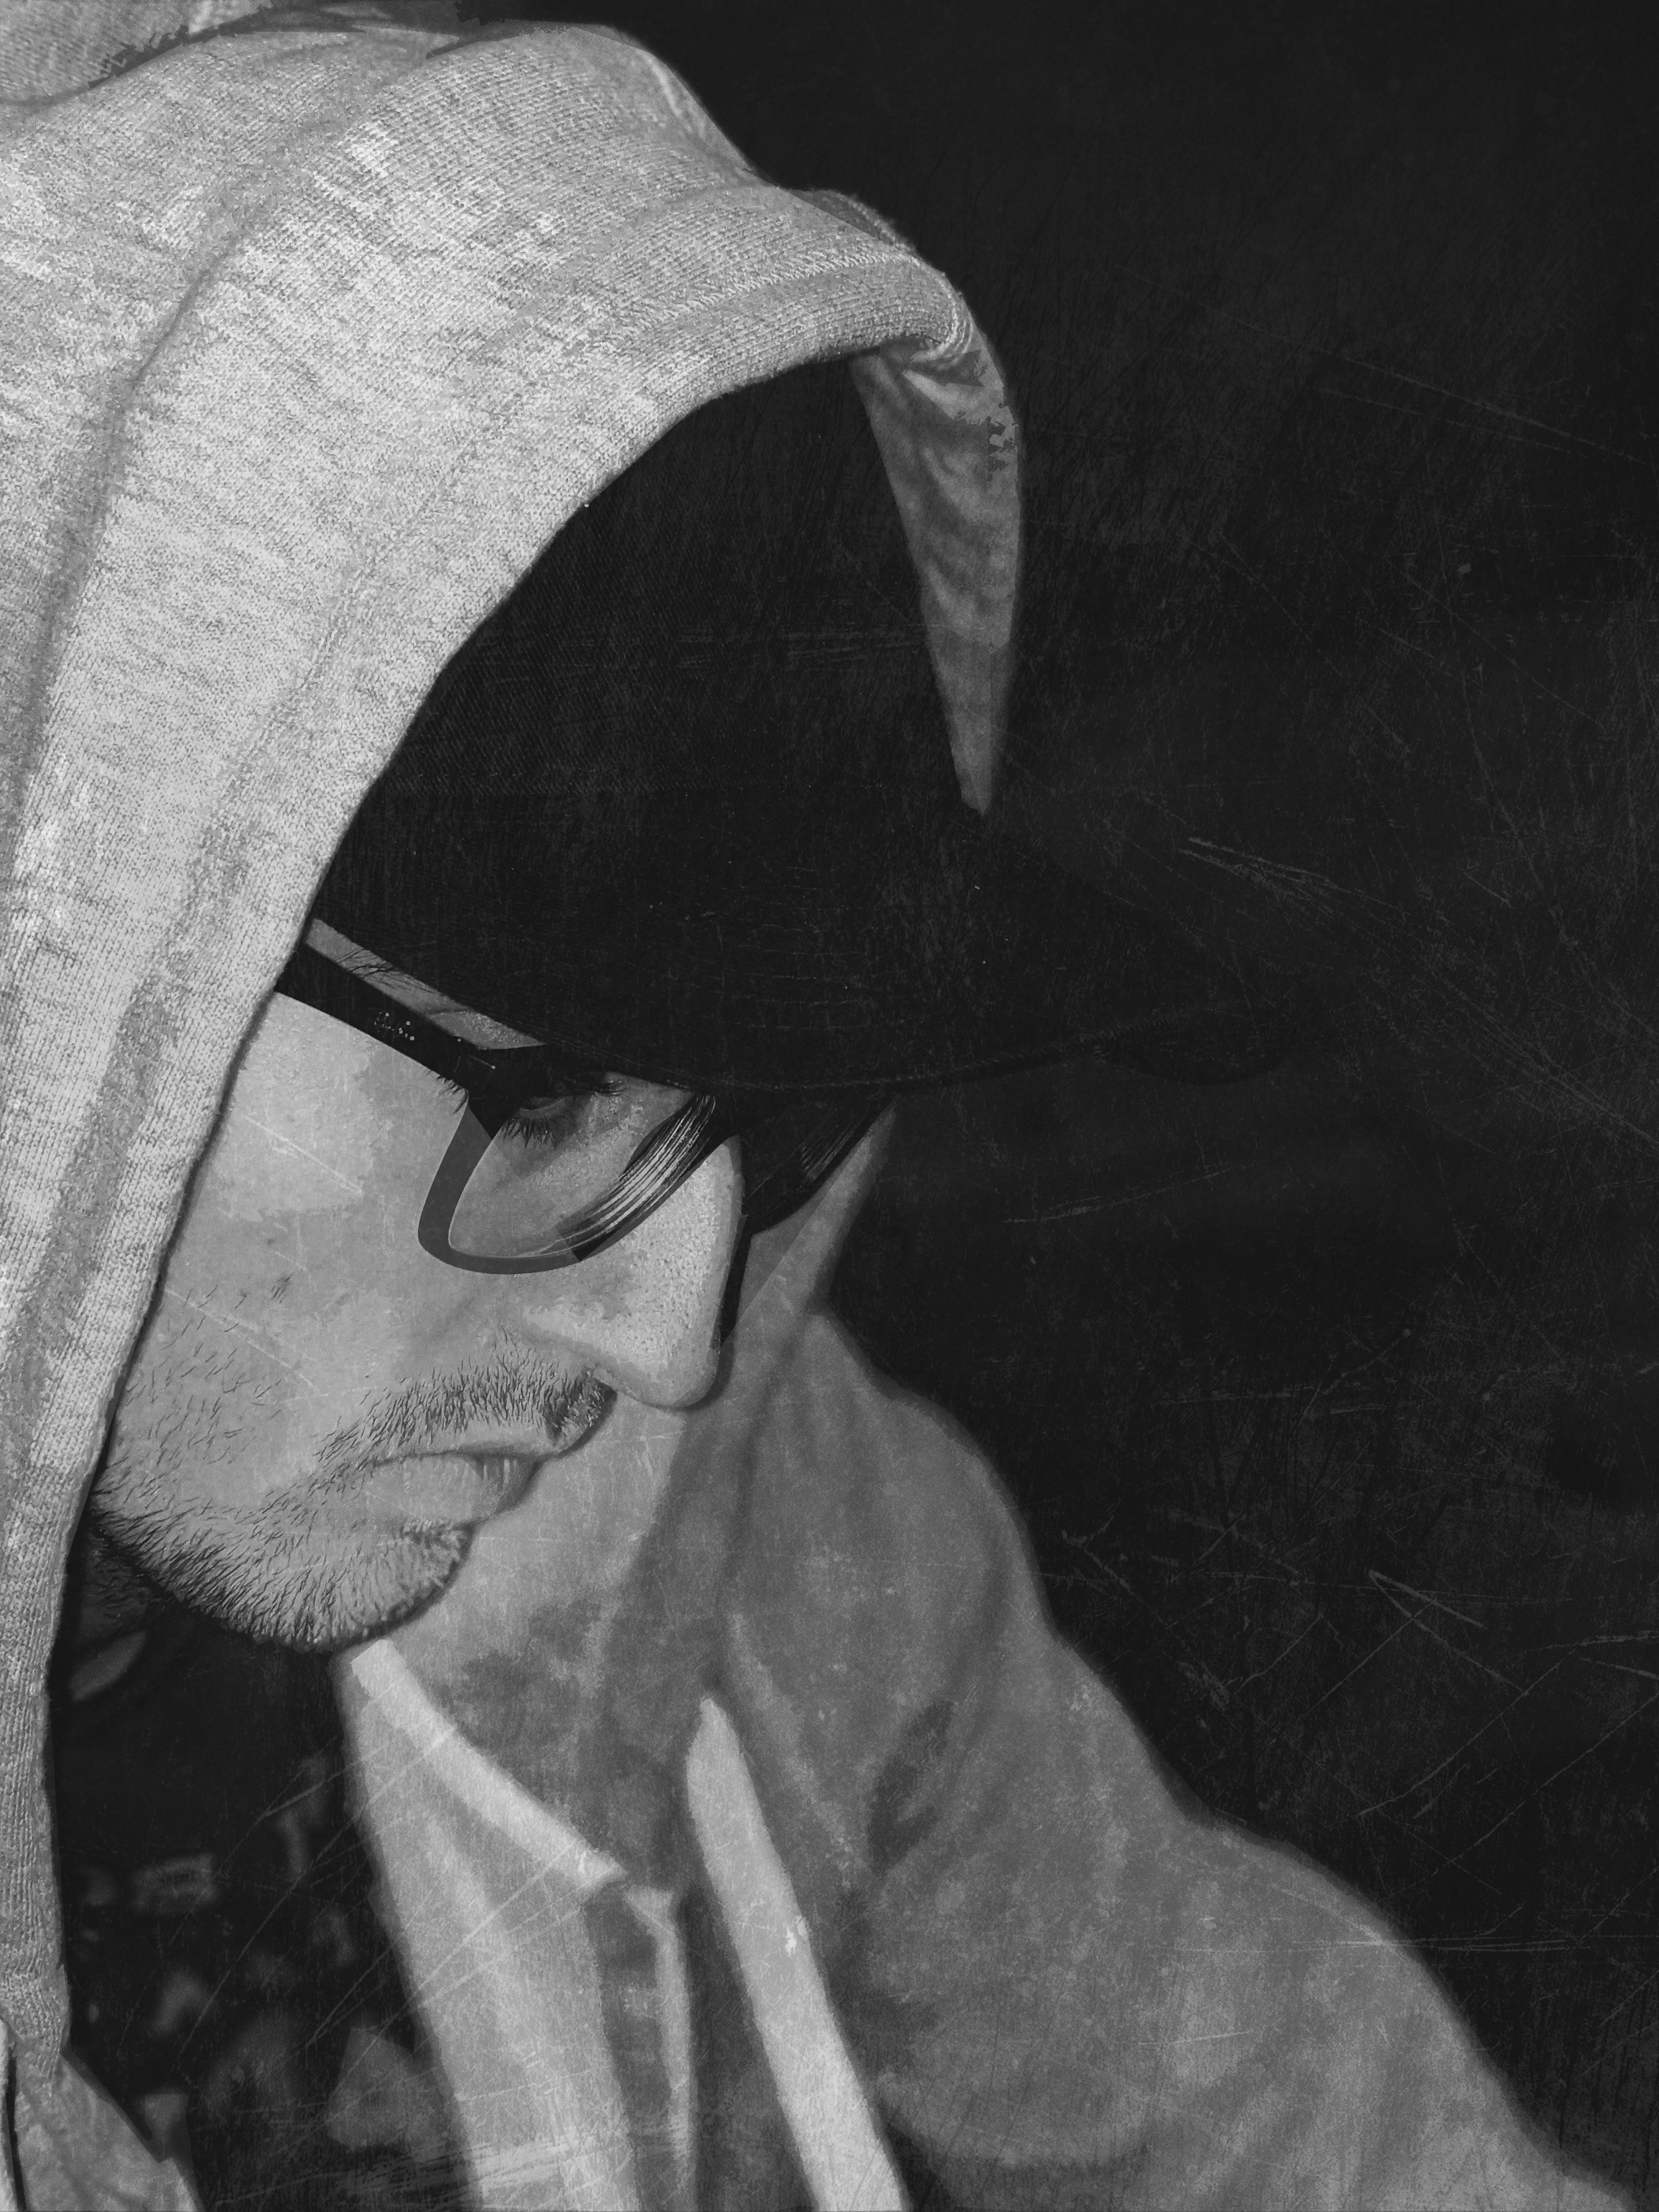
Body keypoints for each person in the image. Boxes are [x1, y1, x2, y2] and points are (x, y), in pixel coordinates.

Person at [0, 5, 1628, 2208]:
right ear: (82, 944)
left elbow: (1287, 2117)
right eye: (549, 1100)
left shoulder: (771, 1533)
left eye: (760, 1120)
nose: (671, 1343)